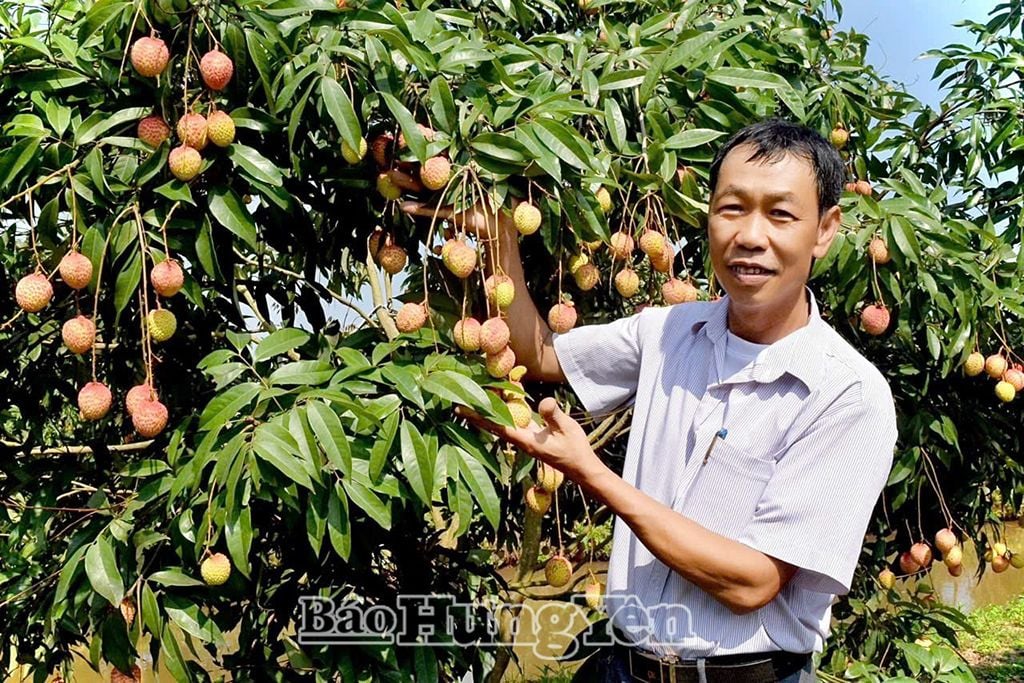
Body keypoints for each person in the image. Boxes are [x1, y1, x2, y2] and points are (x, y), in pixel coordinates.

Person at [402, 119, 897, 683]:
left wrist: (590, 472)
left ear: (825, 230)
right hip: (621, 668)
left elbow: (753, 582)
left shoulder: (848, 395)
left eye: (781, 214)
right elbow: (541, 356)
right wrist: (498, 239)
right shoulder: (667, 331)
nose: (751, 236)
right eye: (732, 208)